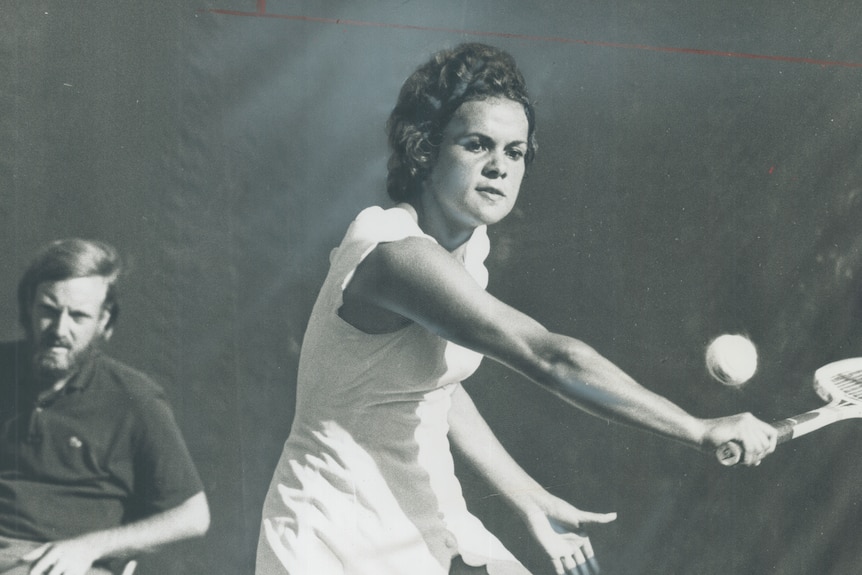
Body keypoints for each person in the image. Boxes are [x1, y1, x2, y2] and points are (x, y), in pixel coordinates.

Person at [256, 43, 777, 575]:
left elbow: (434, 386)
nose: (498, 168)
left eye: (514, 151)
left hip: (420, 527)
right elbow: (551, 357)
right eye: (476, 145)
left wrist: (524, 494)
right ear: (426, 150)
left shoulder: (467, 249)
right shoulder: (395, 254)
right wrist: (698, 429)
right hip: (331, 541)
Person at [0, 239, 210, 575]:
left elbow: (193, 516)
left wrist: (90, 547)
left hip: (63, 564)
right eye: (49, 311)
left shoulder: (134, 398)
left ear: (104, 322)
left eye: (78, 316)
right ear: (29, 307)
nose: (59, 330)